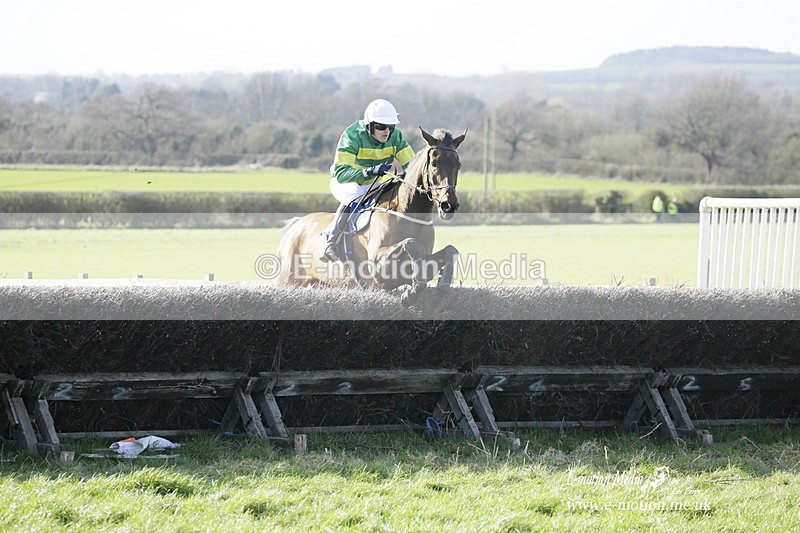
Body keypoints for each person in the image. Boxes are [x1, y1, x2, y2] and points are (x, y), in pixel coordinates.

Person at [321, 99, 415, 262]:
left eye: (391, 127)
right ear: (369, 125)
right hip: (346, 183)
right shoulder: (353, 135)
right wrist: (369, 171)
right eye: (381, 126)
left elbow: (412, 167)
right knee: (355, 195)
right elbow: (341, 172)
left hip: (373, 184)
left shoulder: (395, 137)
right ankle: (331, 242)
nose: (387, 131)